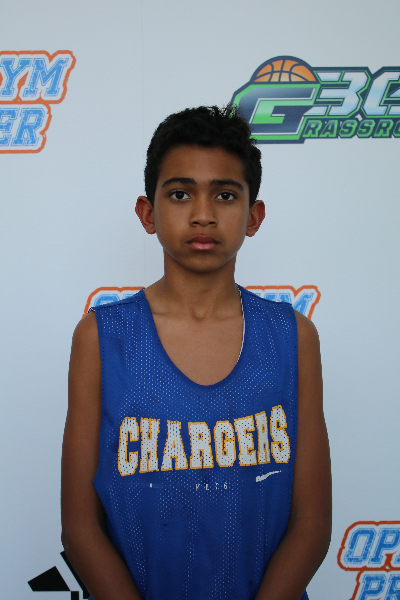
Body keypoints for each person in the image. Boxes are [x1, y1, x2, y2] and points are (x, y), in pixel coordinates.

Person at [61, 105, 331, 600]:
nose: (203, 214)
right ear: (148, 213)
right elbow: (80, 528)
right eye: (181, 193)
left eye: (225, 195)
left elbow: (311, 523)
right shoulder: (102, 338)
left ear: (253, 216)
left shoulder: (292, 336)